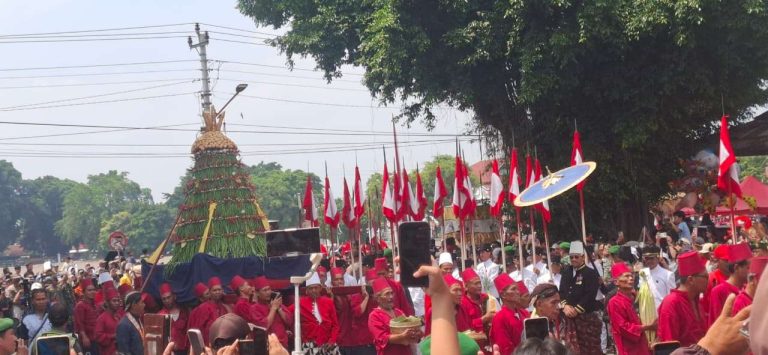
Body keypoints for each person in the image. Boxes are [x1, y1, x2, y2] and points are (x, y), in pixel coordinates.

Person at [558, 241, 601, 355]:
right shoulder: (566, 272)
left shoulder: (590, 273)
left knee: (590, 348)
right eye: (571, 257)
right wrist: (565, 306)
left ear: (582, 257)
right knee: (572, 349)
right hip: (568, 316)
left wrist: (576, 310)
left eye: (576, 257)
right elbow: (561, 291)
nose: (573, 259)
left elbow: (590, 294)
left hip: (585, 316)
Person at [657, 251, 708, 347]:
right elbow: (670, 346)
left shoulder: (696, 300)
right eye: (705, 277)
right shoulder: (671, 303)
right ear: (691, 280)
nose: (708, 280)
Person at [606, 263, 654, 355]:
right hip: (629, 348)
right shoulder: (614, 302)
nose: (631, 278)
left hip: (644, 343)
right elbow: (623, 328)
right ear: (616, 282)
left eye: (631, 275)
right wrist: (648, 327)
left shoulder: (637, 297)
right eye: (626, 276)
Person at [368, 278, 419, 355]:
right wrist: (402, 336)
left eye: (392, 293)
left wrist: (416, 334)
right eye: (387, 294)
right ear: (378, 298)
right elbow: (382, 338)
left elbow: (409, 332)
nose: (391, 296)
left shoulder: (398, 312)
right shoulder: (374, 316)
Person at [293, 272, 339, 353]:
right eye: (311, 288)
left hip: (328, 345)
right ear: (306, 290)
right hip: (309, 345)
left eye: (316, 288)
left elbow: (335, 325)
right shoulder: (300, 303)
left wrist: (332, 340)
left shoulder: (328, 302)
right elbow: (287, 313)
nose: (314, 290)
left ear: (320, 288)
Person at [707, 243, 751, 326]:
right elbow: (715, 325)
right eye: (748, 268)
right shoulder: (718, 291)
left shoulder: (747, 288)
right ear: (736, 268)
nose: (751, 271)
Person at [489, 273, 528, 355]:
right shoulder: (500, 318)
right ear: (503, 294)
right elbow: (505, 348)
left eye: (517, 289)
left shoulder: (524, 313)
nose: (518, 292)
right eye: (513, 289)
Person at [250, 276, 292, 348]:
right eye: (264, 290)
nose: (268, 292)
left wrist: (279, 309)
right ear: (257, 293)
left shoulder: (277, 304)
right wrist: (273, 309)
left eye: (269, 289)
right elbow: (264, 326)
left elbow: (289, 321)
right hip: (267, 346)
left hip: (283, 344)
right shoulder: (254, 308)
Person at [188, 277, 229, 346]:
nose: (217, 292)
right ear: (210, 292)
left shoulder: (224, 308)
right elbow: (198, 329)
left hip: (222, 345)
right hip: (208, 346)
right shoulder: (204, 308)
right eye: (214, 290)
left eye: (219, 289)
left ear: (222, 291)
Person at [459, 268, 497, 334]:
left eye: (479, 283)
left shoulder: (486, 298)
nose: (479, 286)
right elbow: (465, 328)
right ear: (466, 286)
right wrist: (484, 318)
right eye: (476, 284)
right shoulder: (462, 303)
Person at [638, 245, 676, 310]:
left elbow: (672, 298)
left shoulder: (668, 274)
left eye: (652, 258)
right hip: (646, 313)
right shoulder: (642, 273)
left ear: (658, 258)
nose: (649, 261)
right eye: (647, 258)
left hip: (662, 312)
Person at [156, 283, 189, 355]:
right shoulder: (160, 316)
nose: (167, 301)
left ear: (174, 296)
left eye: (168, 297)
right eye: (164, 299)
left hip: (184, 351)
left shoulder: (184, 312)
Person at [73, 278, 98, 355]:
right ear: (84, 292)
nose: (92, 292)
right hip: (87, 339)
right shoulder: (80, 305)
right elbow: (79, 323)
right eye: (89, 290)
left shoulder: (94, 304)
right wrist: (84, 337)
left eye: (93, 290)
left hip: (96, 338)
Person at [94, 288, 121, 355]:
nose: (117, 303)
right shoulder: (102, 318)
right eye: (114, 301)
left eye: (118, 301)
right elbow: (98, 337)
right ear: (107, 303)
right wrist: (113, 336)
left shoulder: (118, 316)